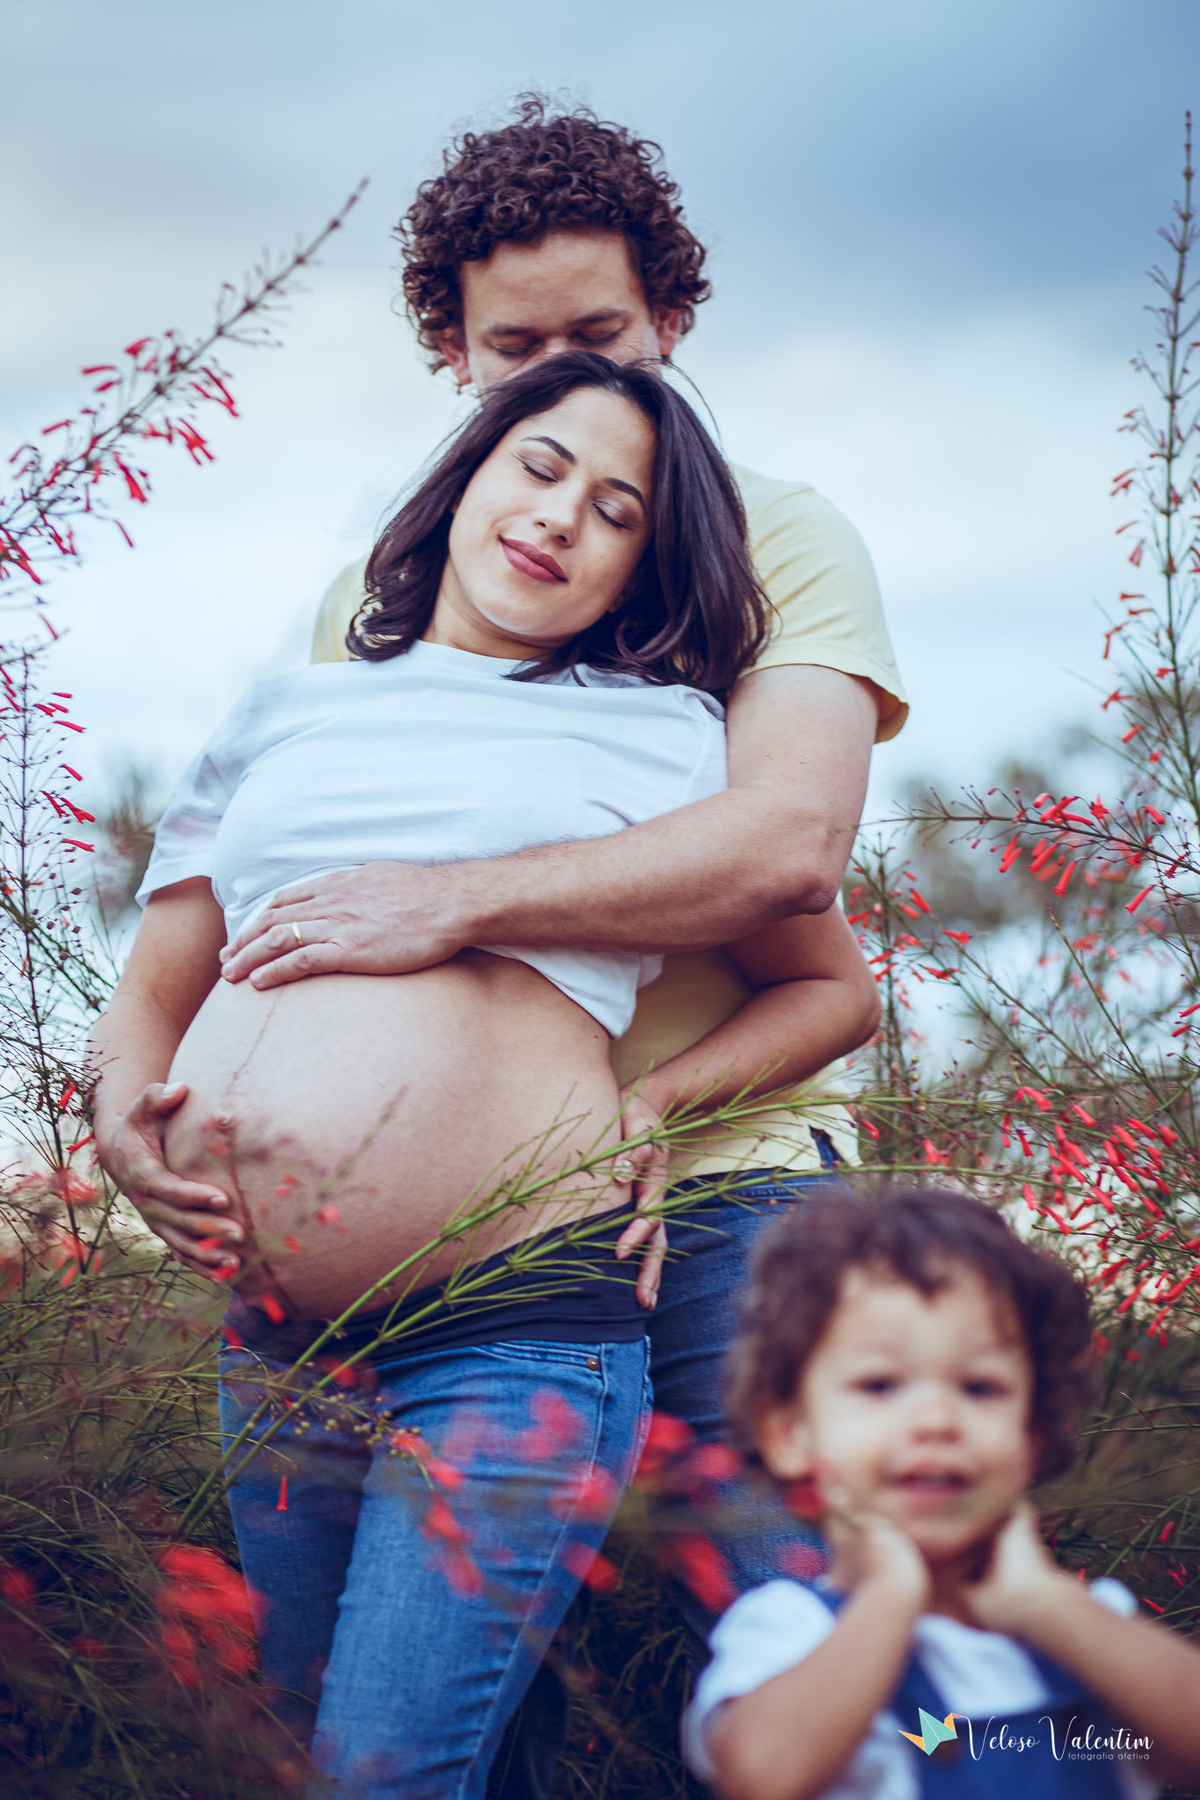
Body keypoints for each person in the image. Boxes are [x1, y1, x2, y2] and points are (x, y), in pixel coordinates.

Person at [90, 352, 880, 1799]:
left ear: (639, 569)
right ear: (468, 472)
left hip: (513, 1330)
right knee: (294, 1761)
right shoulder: (282, 710)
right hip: (278, 1343)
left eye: (619, 510)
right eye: (542, 464)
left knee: (383, 1772)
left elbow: (834, 992)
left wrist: (650, 1103)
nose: (564, 515)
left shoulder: (664, 739)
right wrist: (123, 1139)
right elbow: (154, 985)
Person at [683, 1185, 1200, 1800]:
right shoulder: (790, 1631)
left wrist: (1042, 1603)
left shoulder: (1087, 1631)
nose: (936, 1421)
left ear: (1032, 1435)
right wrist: (889, 1595)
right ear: (790, 1434)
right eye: (879, 1385)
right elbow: (762, 1775)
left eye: (980, 1388)